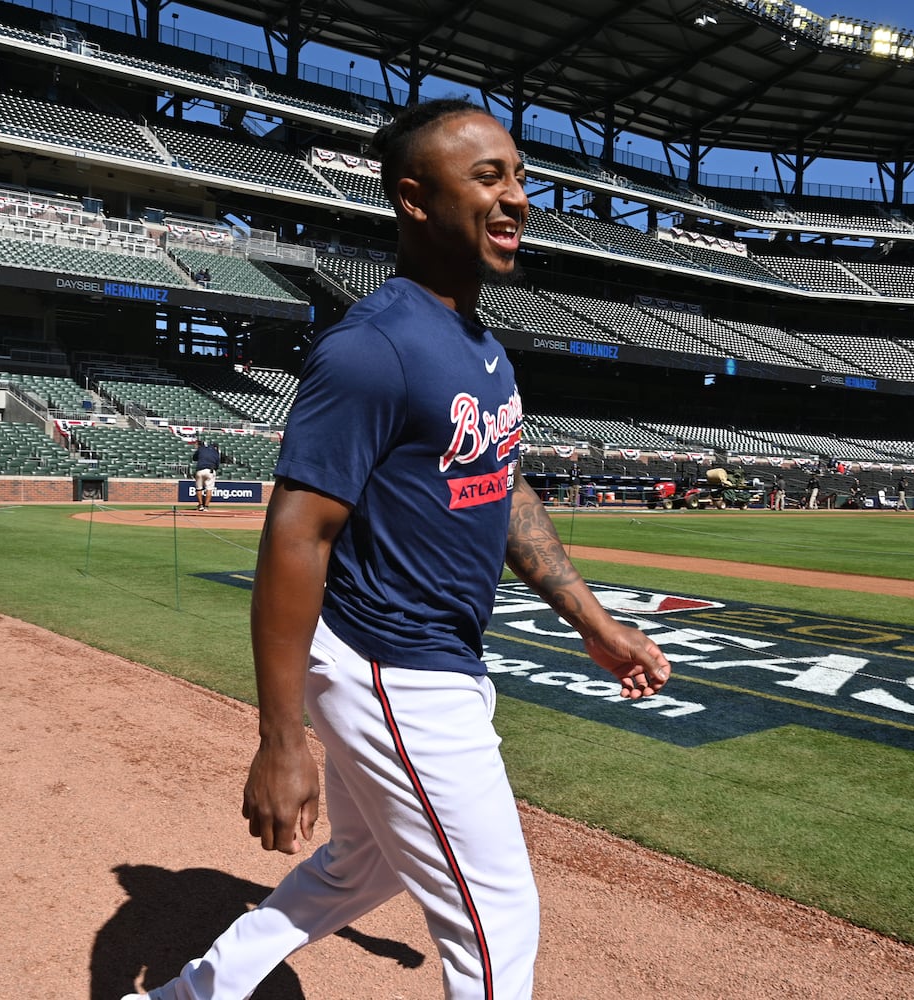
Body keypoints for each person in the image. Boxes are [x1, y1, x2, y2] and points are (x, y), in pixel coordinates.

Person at [125, 99, 671, 1000]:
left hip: (427, 659)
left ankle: (194, 994)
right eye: (487, 178)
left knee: (360, 869)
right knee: (499, 920)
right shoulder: (373, 347)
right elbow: (297, 532)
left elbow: (503, 490)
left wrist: (594, 624)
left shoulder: (482, 349)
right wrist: (279, 737)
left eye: (520, 176)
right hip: (392, 664)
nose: (516, 198)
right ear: (415, 199)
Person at [191, 438, 221, 511]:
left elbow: (194, 458)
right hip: (210, 470)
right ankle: (206, 507)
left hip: (200, 470)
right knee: (209, 489)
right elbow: (217, 464)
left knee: (199, 488)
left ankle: (201, 505)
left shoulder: (201, 449)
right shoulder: (215, 452)